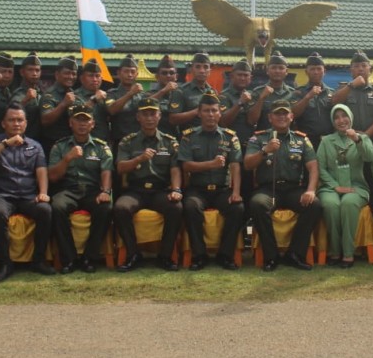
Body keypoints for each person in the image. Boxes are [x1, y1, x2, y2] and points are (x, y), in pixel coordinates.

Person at [0, 103, 55, 281]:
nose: (16, 124)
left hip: (28, 196)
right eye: (11, 120)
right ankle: (5, 264)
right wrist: (5, 144)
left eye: (20, 120)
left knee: (45, 210)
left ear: (26, 123)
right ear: (3, 123)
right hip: (3, 196)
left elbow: (41, 171)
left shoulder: (35, 145)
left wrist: (43, 192)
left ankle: (38, 260)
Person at [244, 99, 320, 271]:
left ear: (291, 116)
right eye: (277, 114)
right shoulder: (259, 138)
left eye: (285, 113)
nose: (281, 117)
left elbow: (313, 167)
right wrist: (265, 151)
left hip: (293, 189)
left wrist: (310, 190)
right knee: (257, 204)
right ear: (269, 117)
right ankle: (271, 257)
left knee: (314, 205)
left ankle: (295, 254)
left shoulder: (301, 139)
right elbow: (247, 164)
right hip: (268, 189)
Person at [114, 98, 183, 272]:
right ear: (138, 117)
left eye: (153, 114)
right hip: (135, 190)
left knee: (175, 207)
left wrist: (176, 189)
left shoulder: (169, 141)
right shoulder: (128, 141)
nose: (149, 118)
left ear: (159, 116)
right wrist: (138, 159)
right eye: (145, 114)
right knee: (121, 208)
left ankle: (165, 256)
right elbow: (120, 168)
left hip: (160, 190)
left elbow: (175, 169)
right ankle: (133, 254)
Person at [178, 93, 244, 271]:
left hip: (222, 189)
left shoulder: (230, 137)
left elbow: (236, 166)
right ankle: (199, 256)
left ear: (220, 113)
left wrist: (236, 192)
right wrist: (211, 164)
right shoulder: (188, 136)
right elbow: (186, 166)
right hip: (197, 189)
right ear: (199, 113)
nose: (210, 114)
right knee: (190, 206)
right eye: (206, 111)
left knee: (237, 208)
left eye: (214, 111)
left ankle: (225, 255)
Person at [49, 104, 114, 274]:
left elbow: (106, 172)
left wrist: (105, 192)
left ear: (93, 124)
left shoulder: (101, 147)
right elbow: (52, 177)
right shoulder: (60, 146)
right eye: (78, 120)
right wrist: (67, 159)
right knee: (56, 207)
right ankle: (69, 259)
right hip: (68, 190)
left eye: (86, 120)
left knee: (105, 207)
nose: (82, 124)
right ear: (70, 123)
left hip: (92, 191)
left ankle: (89, 258)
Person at [315, 104, 373, 268]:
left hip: (356, 187)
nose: (341, 120)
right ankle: (335, 251)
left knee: (348, 203)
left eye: (344, 116)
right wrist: (335, 186)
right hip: (330, 187)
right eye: (337, 117)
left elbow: (370, 157)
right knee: (331, 205)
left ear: (350, 118)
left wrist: (357, 140)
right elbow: (320, 168)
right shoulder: (326, 141)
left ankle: (348, 253)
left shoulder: (362, 138)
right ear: (333, 122)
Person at [332, 51, 373, 141]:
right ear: (351, 70)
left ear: (370, 69)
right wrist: (351, 85)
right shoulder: (344, 89)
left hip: (372, 140)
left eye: (364, 65)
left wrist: (366, 135)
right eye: (356, 66)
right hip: (348, 140)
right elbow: (334, 102)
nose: (360, 69)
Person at [291, 52, 334, 149]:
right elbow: (293, 114)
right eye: (312, 69)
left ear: (324, 71)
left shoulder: (332, 92)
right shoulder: (299, 92)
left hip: (328, 141)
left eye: (319, 69)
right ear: (306, 72)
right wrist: (307, 97)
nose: (316, 72)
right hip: (305, 141)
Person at [247, 51, 296, 132]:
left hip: (287, 137)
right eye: (273, 68)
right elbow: (251, 121)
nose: (277, 71)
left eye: (281, 68)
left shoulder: (292, 93)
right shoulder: (258, 92)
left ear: (286, 71)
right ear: (267, 70)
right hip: (264, 137)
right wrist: (261, 99)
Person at [169, 52, 217, 134]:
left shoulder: (213, 92)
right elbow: (173, 119)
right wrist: (197, 111)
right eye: (198, 67)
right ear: (191, 69)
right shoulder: (181, 91)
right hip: (189, 138)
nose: (202, 71)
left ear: (210, 71)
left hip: (211, 137)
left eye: (205, 67)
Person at [106, 54, 146, 152]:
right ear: (119, 73)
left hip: (139, 141)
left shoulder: (142, 95)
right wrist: (130, 93)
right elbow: (112, 110)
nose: (130, 75)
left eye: (133, 72)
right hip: (119, 141)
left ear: (137, 74)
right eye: (126, 71)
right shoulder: (112, 93)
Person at [40, 56, 79, 154]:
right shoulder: (49, 95)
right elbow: (45, 120)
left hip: (71, 144)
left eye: (73, 74)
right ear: (57, 75)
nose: (71, 77)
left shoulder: (74, 94)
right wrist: (63, 104)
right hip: (53, 144)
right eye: (67, 73)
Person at [219, 58, 256, 147]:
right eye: (239, 75)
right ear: (232, 76)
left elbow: (252, 121)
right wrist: (240, 102)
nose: (242, 78)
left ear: (250, 78)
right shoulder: (223, 96)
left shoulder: (253, 95)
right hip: (230, 144)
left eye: (246, 75)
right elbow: (223, 122)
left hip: (249, 145)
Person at [73, 58, 111, 142]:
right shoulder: (75, 96)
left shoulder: (106, 95)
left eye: (97, 76)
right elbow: (76, 114)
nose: (95, 79)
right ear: (82, 78)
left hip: (103, 142)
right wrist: (94, 99)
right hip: (82, 142)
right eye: (90, 76)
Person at [10, 51, 43, 144]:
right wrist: (26, 100)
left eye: (37, 70)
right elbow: (11, 112)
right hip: (22, 140)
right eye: (30, 70)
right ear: (22, 72)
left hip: (39, 140)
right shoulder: (19, 94)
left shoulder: (41, 93)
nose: (34, 73)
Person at [151, 55, 181, 138]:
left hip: (178, 138)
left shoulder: (182, 94)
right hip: (157, 137)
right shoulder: (150, 94)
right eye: (164, 73)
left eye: (171, 73)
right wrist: (164, 91)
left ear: (176, 76)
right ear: (157, 77)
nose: (168, 76)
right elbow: (145, 103)